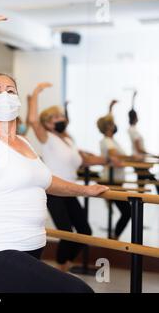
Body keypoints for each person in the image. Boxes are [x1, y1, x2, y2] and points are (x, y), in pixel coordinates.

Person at [0, 15, 108, 293]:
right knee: (80, 291)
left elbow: (47, 181)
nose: (4, 94)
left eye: (10, 90)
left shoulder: (24, 143)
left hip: (31, 246)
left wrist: (85, 190)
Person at [27, 83, 119, 272]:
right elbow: (33, 121)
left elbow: (83, 161)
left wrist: (108, 159)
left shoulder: (68, 140)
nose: (60, 119)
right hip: (54, 191)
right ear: (47, 124)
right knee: (66, 233)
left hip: (70, 190)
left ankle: (63, 265)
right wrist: (35, 94)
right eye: (54, 118)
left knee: (85, 231)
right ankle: (61, 268)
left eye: (60, 115)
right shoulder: (47, 139)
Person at [97, 112, 131, 239]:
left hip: (116, 182)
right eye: (112, 124)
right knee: (128, 212)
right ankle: (114, 238)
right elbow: (115, 159)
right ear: (108, 127)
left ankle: (114, 237)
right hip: (111, 182)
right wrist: (128, 162)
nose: (114, 125)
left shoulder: (111, 141)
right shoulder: (107, 141)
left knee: (127, 212)